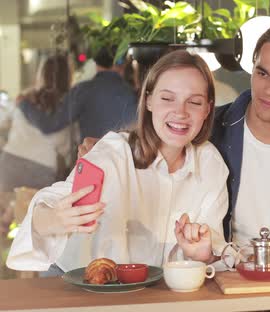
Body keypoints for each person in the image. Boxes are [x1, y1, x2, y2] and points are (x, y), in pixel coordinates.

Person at [79, 20, 270, 250]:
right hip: (208, 281)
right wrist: (108, 148)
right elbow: (155, 139)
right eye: (262, 73)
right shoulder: (206, 128)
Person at [7, 50, 228, 274]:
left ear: (208, 109)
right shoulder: (113, 152)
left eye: (194, 102)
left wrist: (202, 254)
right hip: (81, 283)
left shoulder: (211, 164)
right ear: (149, 100)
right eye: (167, 98)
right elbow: (49, 208)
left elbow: (211, 249)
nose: (180, 112)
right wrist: (55, 218)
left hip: (155, 294)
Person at [18, 47, 138, 142]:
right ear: (121, 64)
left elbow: (49, 124)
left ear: (96, 63)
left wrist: (23, 104)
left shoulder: (82, 90)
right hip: (127, 163)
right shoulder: (135, 94)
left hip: (93, 162)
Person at [0, 54, 76, 193]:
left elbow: (6, 122)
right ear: (67, 77)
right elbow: (65, 148)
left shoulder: (26, 97)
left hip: (10, 162)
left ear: (42, 74)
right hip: (40, 168)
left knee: (7, 213)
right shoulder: (66, 107)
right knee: (32, 213)